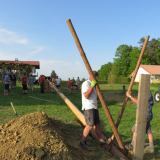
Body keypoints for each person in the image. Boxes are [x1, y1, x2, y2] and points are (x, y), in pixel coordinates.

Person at [79, 71, 107, 151]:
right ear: (96, 77)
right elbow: (86, 96)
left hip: (94, 107)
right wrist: (92, 86)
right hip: (88, 107)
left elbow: (95, 97)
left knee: (97, 124)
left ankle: (101, 141)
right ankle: (82, 142)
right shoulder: (86, 83)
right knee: (89, 125)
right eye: (97, 77)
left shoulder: (94, 85)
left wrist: (100, 96)